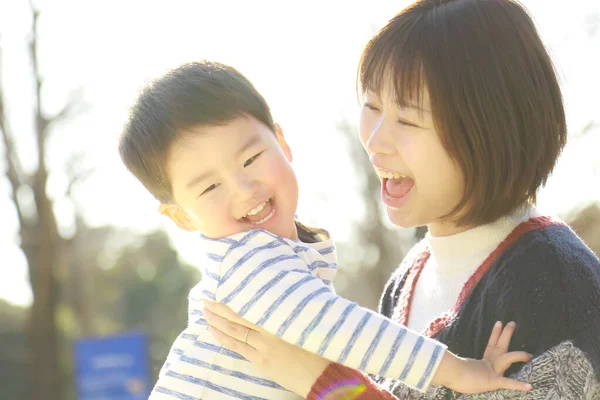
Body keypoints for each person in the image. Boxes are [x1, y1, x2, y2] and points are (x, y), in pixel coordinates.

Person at [200, 0, 600, 398]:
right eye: (371, 106)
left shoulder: (554, 284)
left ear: (491, 130)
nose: (375, 143)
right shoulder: (406, 281)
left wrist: (321, 381)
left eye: (407, 120)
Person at [118, 61, 532, 399]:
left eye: (251, 159)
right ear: (182, 217)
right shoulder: (247, 265)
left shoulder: (283, 254)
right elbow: (345, 330)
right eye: (210, 187)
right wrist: (458, 371)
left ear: (282, 141)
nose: (244, 189)